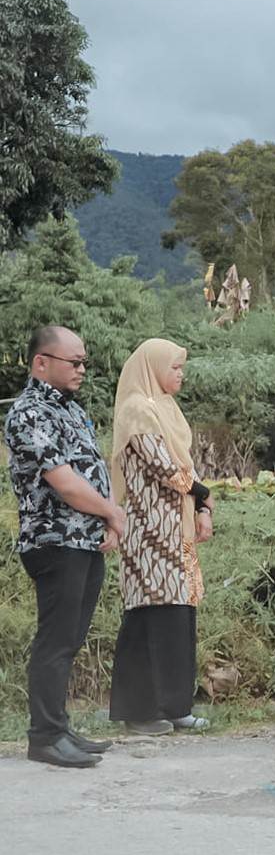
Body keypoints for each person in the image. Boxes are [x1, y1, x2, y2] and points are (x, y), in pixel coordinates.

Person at [5, 326, 126, 768]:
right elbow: (64, 482)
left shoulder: (70, 410)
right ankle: (44, 737)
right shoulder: (28, 413)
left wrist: (108, 517)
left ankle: (59, 727)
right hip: (54, 541)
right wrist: (113, 513)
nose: (81, 369)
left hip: (83, 540)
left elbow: (91, 471)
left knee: (70, 639)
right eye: (72, 362)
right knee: (55, 641)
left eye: (83, 362)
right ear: (42, 363)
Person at [108, 338, 214, 737]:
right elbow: (165, 468)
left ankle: (175, 705)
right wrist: (204, 494)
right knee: (149, 617)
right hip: (149, 533)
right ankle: (140, 711)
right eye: (174, 367)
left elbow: (184, 468)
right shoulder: (137, 410)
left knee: (177, 617)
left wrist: (201, 506)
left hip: (175, 530)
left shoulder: (166, 408)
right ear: (152, 368)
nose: (180, 374)